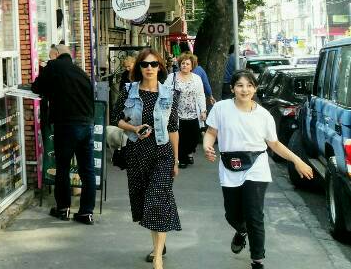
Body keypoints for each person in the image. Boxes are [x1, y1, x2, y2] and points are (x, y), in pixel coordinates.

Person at [203, 70, 314, 269]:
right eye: (240, 85)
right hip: (229, 166)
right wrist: (207, 146)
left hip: (256, 165)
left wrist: (297, 160)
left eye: (249, 86)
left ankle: (257, 259)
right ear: (232, 88)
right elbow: (211, 132)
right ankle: (241, 230)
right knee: (232, 215)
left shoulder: (264, 115)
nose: (244, 90)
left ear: (255, 88)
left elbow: (275, 144)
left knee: (254, 214)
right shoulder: (220, 108)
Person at [111, 49, 180, 269]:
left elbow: (172, 128)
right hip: (137, 154)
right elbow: (116, 118)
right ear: (138, 68)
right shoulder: (128, 90)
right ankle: (160, 245)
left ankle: (158, 258)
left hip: (162, 153)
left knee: (157, 200)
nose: (149, 68)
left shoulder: (169, 93)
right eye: (144, 64)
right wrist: (134, 127)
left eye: (153, 64)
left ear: (160, 67)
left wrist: (176, 160)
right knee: (144, 204)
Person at [31, 44, 96, 224]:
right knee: (87, 170)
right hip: (87, 124)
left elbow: (37, 87)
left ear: (57, 54)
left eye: (50, 55)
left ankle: (63, 208)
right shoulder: (81, 72)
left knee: (63, 167)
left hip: (66, 125)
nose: (48, 59)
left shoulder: (53, 66)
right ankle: (86, 212)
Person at [164, 53, 207, 168]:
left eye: (188, 64)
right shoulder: (171, 77)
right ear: (179, 64)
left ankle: (188, 153)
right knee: (180, 137)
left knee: (194, 137)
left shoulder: (196, 79)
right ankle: (182, 158)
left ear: (192, 66)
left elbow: (200, 95)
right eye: (183, 63)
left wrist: (203, 110)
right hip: (176, 113)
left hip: (193, 113)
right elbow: (164, 92)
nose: (185, 65)